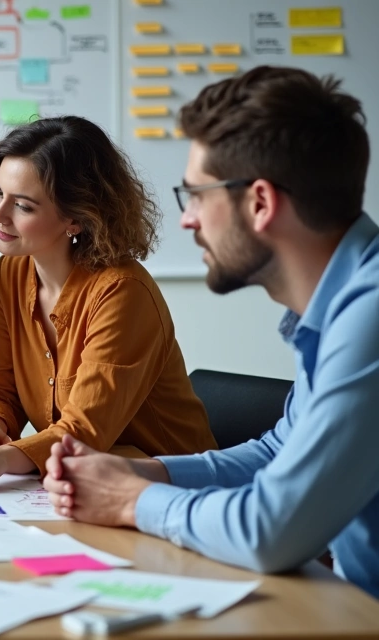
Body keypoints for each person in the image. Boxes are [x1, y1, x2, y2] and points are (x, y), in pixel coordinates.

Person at [43, 66, 379, 598]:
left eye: (197, 195)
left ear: (261, 203)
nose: (188, 219)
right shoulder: (343, 304)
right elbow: (278, 453)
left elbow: (271, 531)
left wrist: (130, 500)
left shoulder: (370, 317)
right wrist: (145, 473)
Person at [0, 116, 217, 495]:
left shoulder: (123, 292)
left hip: (171, 489)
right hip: (81, 484)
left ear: (75, 218)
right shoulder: (12, 271)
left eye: (23, 206)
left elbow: (85, 431)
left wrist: (7, 457)